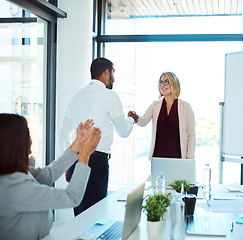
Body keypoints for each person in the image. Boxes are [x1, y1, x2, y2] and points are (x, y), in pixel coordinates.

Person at [0, 114, 101, 240]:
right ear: (15, 143)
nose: (31, 140)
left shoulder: (12, 172)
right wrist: (85, 155)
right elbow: (71, 197)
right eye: (28, 135)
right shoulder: (12, 187)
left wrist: (78, 143)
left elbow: (49, 174)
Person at [60, 57, 137, 216]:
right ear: (106, 72)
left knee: (79, 213)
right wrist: (130, 119)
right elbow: (123, 131)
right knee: (94, 216)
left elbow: (63, 134)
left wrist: (69, 163)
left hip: (75, 160)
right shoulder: (109, 96)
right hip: (96, 162)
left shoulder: (76, 97)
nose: (113, 79)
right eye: (113, 74)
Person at [129, 71, 195, 159]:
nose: (162, 85)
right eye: (160, 82)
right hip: (158, 156)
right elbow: (143, 121)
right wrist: (135, 117)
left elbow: (191, 135)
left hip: (178, 157)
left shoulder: (185, 107)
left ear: (174, 84)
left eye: (166, 82)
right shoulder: (155, 105)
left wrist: (189, 158)